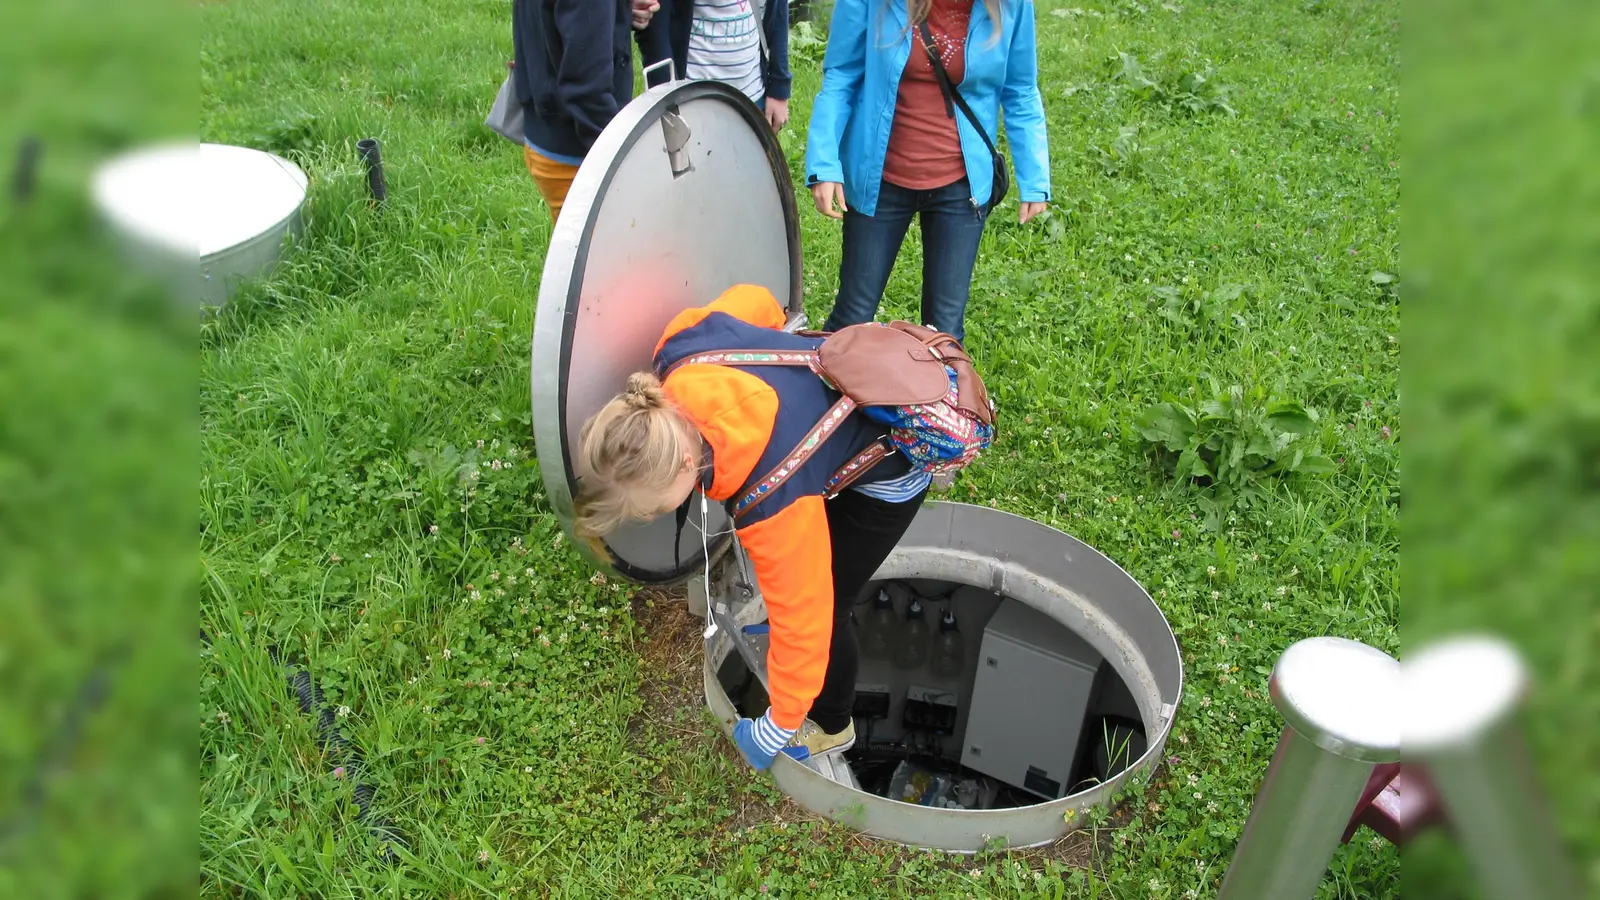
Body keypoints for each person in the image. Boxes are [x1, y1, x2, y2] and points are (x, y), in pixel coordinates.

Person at [572, 285, 935, 769]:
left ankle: (833, 723)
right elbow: (755, 300)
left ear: (686, 464)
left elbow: (805, 620)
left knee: (832, 603)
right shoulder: (680, 346)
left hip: (896, 465)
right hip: (852, 407)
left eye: (652, 509)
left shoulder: (772, 498)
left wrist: (779, 723)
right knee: (807, 566)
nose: (652, 518)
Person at [804, 0, 1051, 343]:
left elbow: (1021, 90)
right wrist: (824, 163)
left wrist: (1035, 179)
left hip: (961, 183)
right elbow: (842, 75)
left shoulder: (1011, 5)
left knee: (944, 332)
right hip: (879, 176)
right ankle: (825, 378)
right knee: (851, 320)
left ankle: (937, 382)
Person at [510, 0, 662, 223]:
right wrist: (626, 167)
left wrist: (618, 10)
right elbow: (588, 92)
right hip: (579, 153)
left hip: (549, 132)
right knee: (614, 245)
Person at [638, 0, 792, 132]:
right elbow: (655, 27)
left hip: (753, 96)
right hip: (692, 101)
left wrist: (779, 87)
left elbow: (778, 6)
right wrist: (669, 101)